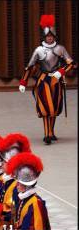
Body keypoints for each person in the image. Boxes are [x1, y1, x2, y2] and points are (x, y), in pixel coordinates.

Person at [19, 15, 75, 145]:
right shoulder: (38, 50)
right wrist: (23, 82)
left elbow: (71, 63)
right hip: (43, 80)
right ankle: (47, 134)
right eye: (47, 36)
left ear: (54, 36)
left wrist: (61, 72)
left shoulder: (60, 48)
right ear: (44, 37)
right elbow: (30, 66)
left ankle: (52, 131)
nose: (49, 38)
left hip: (56, 81)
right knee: (45, 108)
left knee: (54, 107)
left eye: (51, 36)